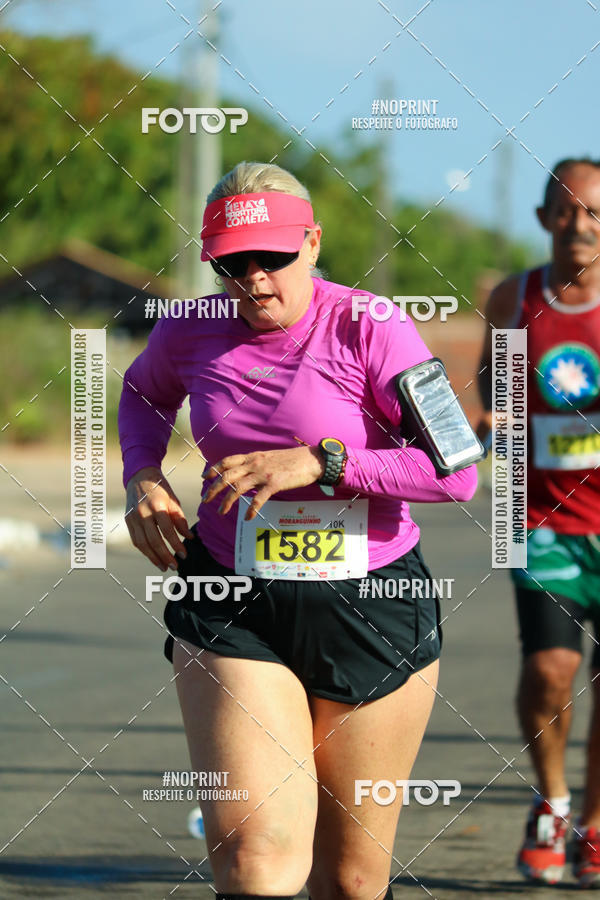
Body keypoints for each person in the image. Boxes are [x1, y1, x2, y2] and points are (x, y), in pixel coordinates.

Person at [119, 161, 478, 900]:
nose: (253, 280)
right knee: (257, 863)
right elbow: (140, 393)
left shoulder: (371, 326)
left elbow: (457, 473)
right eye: (232, 264)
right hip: (233, 596)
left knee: (348, 879)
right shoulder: (192, 328)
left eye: (273, 258)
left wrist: (325, 460)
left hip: (370, 604)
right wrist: (142, 476)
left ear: (312, 243)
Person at [477, 158, 600, 888]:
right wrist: (492, 413)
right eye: (567, 210)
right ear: (543, 218)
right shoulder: (514, 299)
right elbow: (499, 386)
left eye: (595, 212)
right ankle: (551, 802)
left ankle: (595, 822)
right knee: (550, 668)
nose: (581, 224)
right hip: (535, 511)